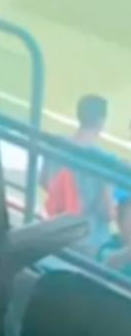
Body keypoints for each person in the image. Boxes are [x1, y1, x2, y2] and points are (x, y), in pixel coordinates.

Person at [41, 94, 124, 259]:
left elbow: (44, 181)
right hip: (89, 241)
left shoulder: (57, 142)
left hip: (56, 228)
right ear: (101, 121)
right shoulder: (105, 160)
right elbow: (106, 212)